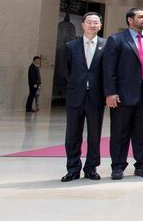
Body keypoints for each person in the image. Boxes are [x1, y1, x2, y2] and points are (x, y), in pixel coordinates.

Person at [102, 8, 143, 180]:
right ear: (130, 20)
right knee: (120, 131)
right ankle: (118, 166)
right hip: (123, 93)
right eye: (141, 17)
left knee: (142, 132)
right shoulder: (116, 40)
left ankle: (141, 165)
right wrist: (110, 92)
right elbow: (108, 68)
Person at [61, 12, 106, 182]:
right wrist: (76, 84)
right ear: (83, 24)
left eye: (96, 23)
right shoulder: (71, 46)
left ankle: (91, 168)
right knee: (72, 134)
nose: (92, 25)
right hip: (75, 96)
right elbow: (65, 70)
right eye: (89, 22)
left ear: (100, 26)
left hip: (96, 97)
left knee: (94, 134)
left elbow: (107, 72)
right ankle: (73, 168)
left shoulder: (106, 45)